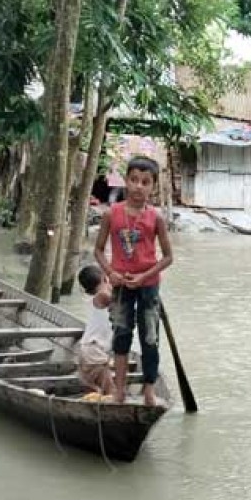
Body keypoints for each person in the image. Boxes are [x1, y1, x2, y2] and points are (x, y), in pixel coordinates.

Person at [93, 156, 173, 406]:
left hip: (148, 286)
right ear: (126, 181)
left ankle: (149, 391)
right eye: (134, 180)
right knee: (121, 335)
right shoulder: (112, 214)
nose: (139, 186)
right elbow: (98, 250)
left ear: (153, 186)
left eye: (145, 182)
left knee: (150, 338)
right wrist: (110, 272)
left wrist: (143, 277)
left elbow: (168, 257)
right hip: (119, 286)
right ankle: (119, 392)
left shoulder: (156, 217)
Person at [75, 265, 115, 399]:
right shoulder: (102, 296)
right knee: (111, 393)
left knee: (94, 394)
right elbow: (121, 301)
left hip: (89, 351)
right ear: (105, 278)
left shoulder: (98, 297)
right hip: (94, 351)